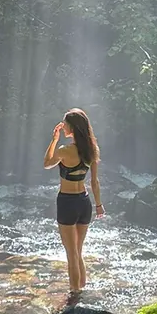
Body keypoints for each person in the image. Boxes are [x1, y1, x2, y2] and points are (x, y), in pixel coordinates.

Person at [42, 108, 104, 295]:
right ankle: (82, 291)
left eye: (66, 124)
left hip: (67, 202)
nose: (64, 126)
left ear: (72, 127)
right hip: (84, 203)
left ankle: (74, 296)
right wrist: (99, 205)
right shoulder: (92, 150)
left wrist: (54, 140)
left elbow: (47, 163)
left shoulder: (65, 150)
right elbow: (94, 181)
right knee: (78, 251)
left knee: (71, 254)